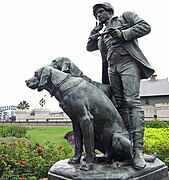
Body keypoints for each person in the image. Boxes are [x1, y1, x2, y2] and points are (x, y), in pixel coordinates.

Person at [86, 2, 155, 170]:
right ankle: (127, 149)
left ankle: (137, 151)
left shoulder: (125, 17)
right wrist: (94, 33)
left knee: (132, 102)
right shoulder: (102, 33)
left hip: (128, 63)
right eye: (96, 15)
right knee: (120, 105)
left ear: (109, 12)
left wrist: (123, 34)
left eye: (101, 12)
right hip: (112, 68)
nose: (98, 16)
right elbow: (89, 47)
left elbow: (146, 26)